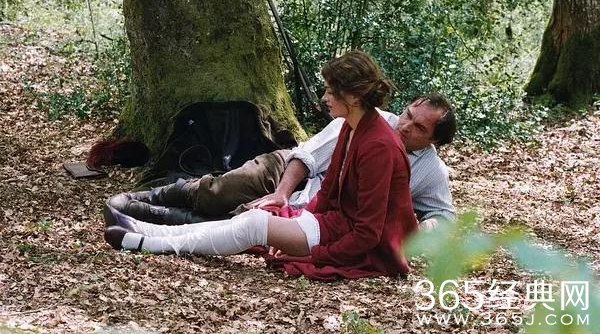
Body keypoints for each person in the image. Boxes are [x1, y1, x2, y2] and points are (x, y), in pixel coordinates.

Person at [104, 50, 418, 280]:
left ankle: (152, 243)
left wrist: (314, 253)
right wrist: (299, 221)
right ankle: (150, 231)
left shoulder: (378, 145)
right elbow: (328, 193)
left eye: (330, 91)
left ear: (353, 97)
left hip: (363, 246)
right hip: (334, 224)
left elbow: (368, 233)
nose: (325, 98)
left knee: (254, 226)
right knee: (255, 217)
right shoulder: (351, 126)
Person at [106, 94, 456, 230]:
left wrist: (425, 229)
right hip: (290, 171)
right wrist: (281, 194)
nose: (405, 126)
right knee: (220, 193)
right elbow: (307, 156)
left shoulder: (430, 170)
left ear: (433, 142)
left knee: (238, 221)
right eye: (408, 115)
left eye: (419, 128)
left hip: (317, 206)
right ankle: (150, 197)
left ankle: (148, 216)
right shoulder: (369, 121)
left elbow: (443, 215)